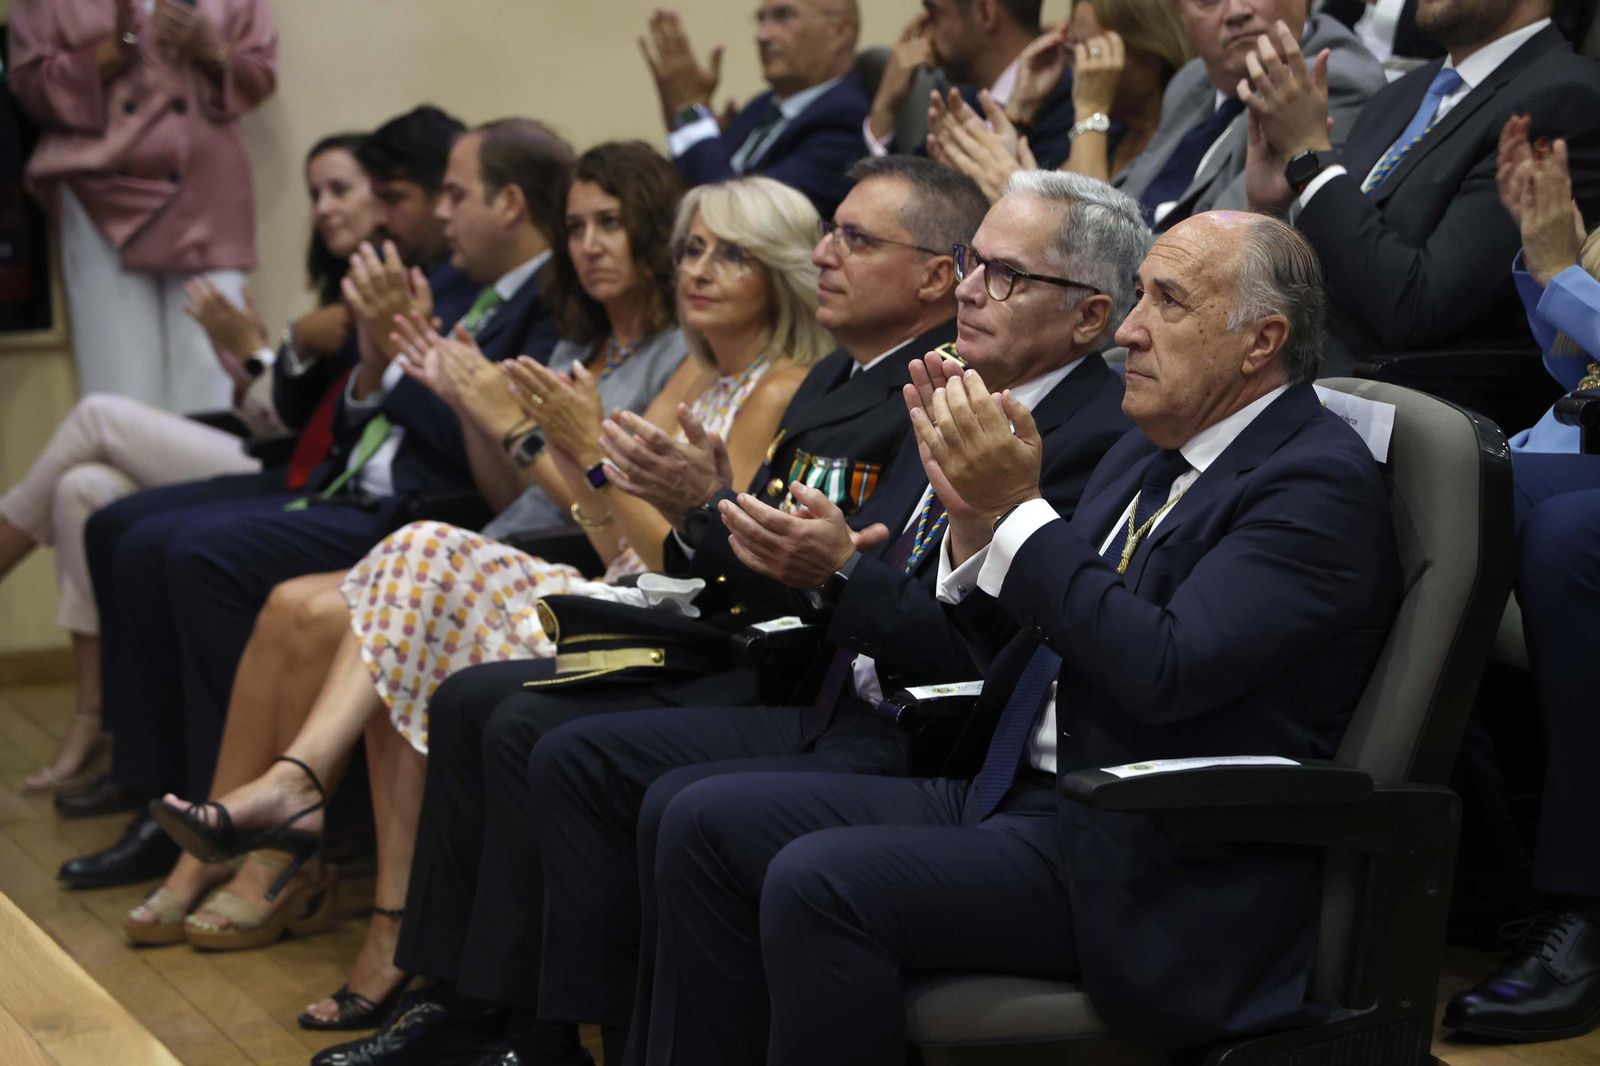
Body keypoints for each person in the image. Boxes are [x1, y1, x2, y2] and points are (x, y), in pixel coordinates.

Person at [638, 211, 1401, 1063]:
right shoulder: (1154, 447)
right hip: (1015, 791)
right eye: (1138, 294)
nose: (1130, 329)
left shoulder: (1314, 486)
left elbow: (1163, 669)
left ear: (1261, 340)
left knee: (819, 886)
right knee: (703, 822)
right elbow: (1009, 636)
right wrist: (973, 527)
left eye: (1169, 302)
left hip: (1148, 852)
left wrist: (1018, 515)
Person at [295, 156, 986, 1066]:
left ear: (937, 274)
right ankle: (469, 1001)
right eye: (826, 234)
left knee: (554, 737)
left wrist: (683, 501)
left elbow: (833, 581)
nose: (826, 254)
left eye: (854, 239)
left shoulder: (918, 394)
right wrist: (703, 507)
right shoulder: (833, 382)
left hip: (799, 669)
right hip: (741, 629)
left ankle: (548, 1031)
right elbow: (734, 554)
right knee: (474, 703)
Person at [147, 175, 826, 1035]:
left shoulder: (781, 386)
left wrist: (573, 448)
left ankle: (311, 811)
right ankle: (307, 799)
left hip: (674, 627)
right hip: (618, 586)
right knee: (418, 568)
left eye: (731, 253)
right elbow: (602, 522)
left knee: (417, 591)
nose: (700, 268)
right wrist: (574, 456)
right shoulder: (699, 367)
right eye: (693, 247)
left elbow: (694, 567)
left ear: (779, 270)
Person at [57, 117, 568, 889]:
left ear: (511, 204)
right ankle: (155, 786)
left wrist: (397, 355)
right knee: (123, 526)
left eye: (454, 194)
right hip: (357, 480)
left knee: (196, 556)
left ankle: (218, 807)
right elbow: (359, 414)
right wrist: (376, 357)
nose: (438, 211)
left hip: (428, 508)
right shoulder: (471, 285)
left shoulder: (545, 304)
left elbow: (465, 441)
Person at [0, 132, 377, 795]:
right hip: (272, 453)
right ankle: (92, 722)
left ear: (391, 197)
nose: (322, 207)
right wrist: (258, 355)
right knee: (82, 490)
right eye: (315, 192)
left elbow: (304, 432)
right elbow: (274, 413)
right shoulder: (335, 293)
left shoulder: (382, 294)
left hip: (294, 476)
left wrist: (261, 350)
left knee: (97, 418)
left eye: (340, 190)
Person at [1443, 129, 1600, 1043]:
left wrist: (1555, 267)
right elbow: (1576, 374)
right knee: (1398, 483)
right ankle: (1466, 862)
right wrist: (1553, 269)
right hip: (1574, 447)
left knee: (1565, 534)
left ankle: (1578, 903)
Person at [1239, 0, 1600, 373]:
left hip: (1411, 407)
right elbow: (1337, 265)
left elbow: (1414, 311)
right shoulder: (1397, 96)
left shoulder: (1566, 99)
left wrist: (1309, 160)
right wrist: (1274, 211)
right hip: (1302, 381)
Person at [8, 0, 278, 412]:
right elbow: (30, 84)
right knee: (121, 386)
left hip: (205, 193)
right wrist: (120, 46)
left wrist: (210, 49)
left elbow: (261, 74)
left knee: (214, 375)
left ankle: (213, 475)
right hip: (101, 193)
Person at [1104, 0, 1382, 230]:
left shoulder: (1326, 85)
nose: (1237, 11)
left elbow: (1222, 241)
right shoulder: (1192, 80)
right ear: (1180, 15)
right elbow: (1125, 193)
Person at [925, 0, 1193, 197]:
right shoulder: (1117, 135)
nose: (1077, 69)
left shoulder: (1189, 135)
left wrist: (1091, 108)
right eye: (1072, 49)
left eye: (1093, 52)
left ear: (1149, 49)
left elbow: (1086, 233)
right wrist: (1022, 107)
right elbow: (1053, 204)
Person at [641, 0, 868, 218]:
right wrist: (686, 114)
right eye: (761, 19)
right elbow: (696, 181)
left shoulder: (847, 121)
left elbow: (742, 218)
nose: (762, 35)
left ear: (839, 32)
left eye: (783, 16)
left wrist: (693, 115)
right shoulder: (764, 105)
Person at [867, 0, 1079, 170]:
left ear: (985, 12)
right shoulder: (962, 101)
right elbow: (912, 197)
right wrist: (884, 109)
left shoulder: (1070, 106)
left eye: (935, 13)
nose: (925, 32)